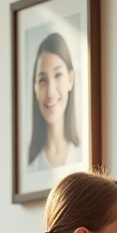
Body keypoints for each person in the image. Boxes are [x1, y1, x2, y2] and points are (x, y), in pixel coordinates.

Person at [27, 32, 81, 171]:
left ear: (70, 79)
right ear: (35, 87)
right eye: (42, 80)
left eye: (58, 75)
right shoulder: (30, 166)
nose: (50, 92)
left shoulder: (81, 154)